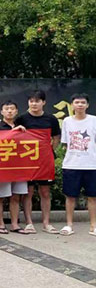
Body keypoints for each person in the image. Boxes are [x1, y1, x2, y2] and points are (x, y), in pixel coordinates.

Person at [15, 89, 62, 234]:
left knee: (45, 192)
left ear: (44, 102)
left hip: (45, 161)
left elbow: (56, 138)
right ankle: (29, 223)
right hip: (27, 161)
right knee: (28, 192)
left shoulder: (51, 119)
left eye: (37, 101)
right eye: (31, 101)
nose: (34, 104)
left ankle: (46, 223)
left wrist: (49, 151)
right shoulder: (21, 119)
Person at [59, 93, 96, 236]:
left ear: (87, 105)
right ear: (72, 105)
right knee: (70, 196)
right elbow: (65, 143)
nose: (80, 105)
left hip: (91, 165)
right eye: (77, 102)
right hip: (71, 165)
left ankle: (93, 225)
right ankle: (69, 225)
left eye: (83, 102)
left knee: (92, 197)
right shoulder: (67, 121)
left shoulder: (94, 120)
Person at [0, 101, 27, 234]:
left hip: (19, 166)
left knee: (16, 197)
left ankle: (15, 224)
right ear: (1, 112)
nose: (9, 111)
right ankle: (0, 224)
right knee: (0, 196)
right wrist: (13, 131)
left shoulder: (23, 127)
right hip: (2, 167)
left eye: (12, 109)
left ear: (16, 111)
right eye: (6, 109)